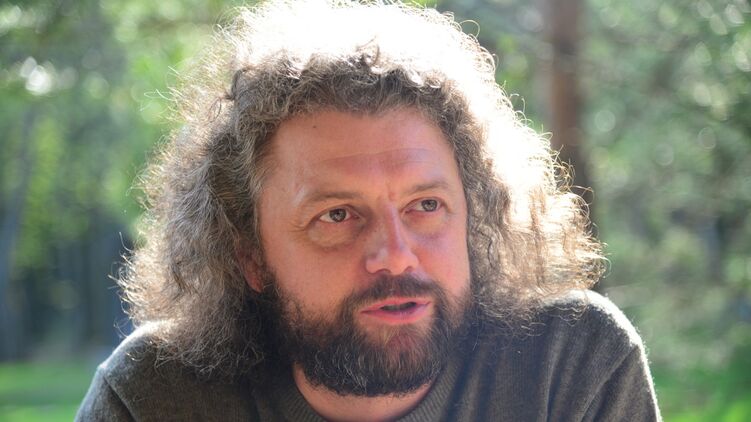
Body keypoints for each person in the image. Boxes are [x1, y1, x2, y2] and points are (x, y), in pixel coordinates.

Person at [76, 1, 661, 420]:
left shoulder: (572, 367)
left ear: (475, 215)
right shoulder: (154, 398)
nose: (396, 256)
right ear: (250, 256)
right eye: (337, 216)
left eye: (426, 205)